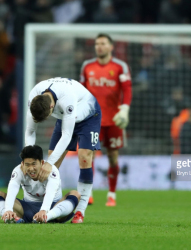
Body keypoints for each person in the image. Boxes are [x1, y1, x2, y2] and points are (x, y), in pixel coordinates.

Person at [25, 77, 101, 223]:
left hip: (89, 114)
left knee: (84, 157)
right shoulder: (34, 96)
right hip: (65, 117)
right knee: (51, 166)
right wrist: (28, 159)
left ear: (51, 108)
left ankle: (80, 211)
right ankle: (48, 205)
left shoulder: (66, 98)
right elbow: (30, 131)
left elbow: (67, 136)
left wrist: (49, 163)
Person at [79, 33, 132, 206]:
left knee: (113, 158)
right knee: (89, 155)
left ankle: (112, 194)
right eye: (97, 44)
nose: (99, 46)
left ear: (111, 47)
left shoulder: (119, 66)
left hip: (114, 120)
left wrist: (124, 109)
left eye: (103, 43)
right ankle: (89, 193)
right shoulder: (87, 66)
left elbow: (127, 90)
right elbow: (81, 91)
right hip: (93, 120)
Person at [0, 145, 80, 223]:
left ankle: (45, 217)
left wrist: (44, 210)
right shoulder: (18, 170)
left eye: (34, 164)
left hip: (54, 210)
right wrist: (8, 210)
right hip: (27, 209)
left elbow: (50, 192)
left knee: (75, 194)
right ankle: (9, 217)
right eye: (27, 165)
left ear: (42, 163)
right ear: (22, 164)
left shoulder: (51, 170)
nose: (31, 168)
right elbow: (12, 189)